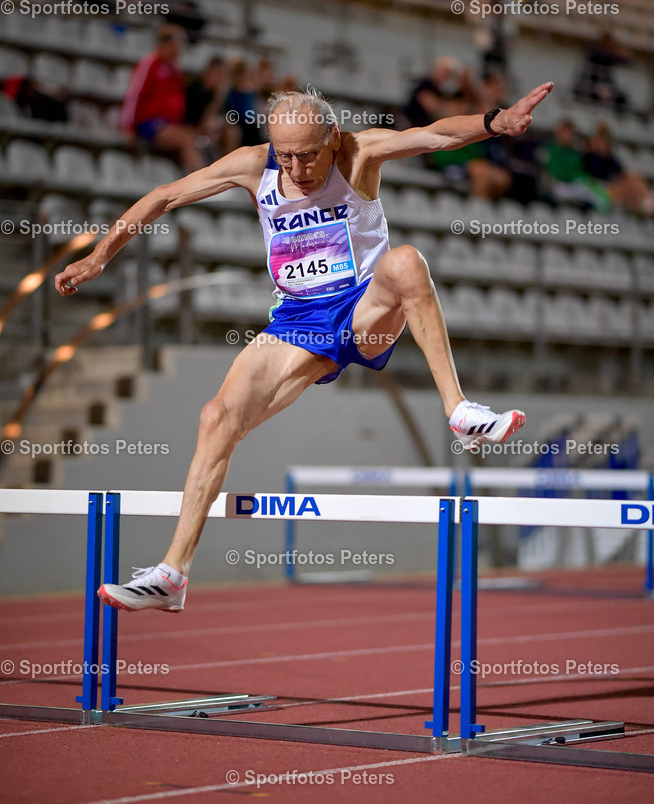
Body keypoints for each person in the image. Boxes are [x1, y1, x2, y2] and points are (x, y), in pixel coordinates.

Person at [55, 80, 553, 612]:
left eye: (308, 155)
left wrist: (494, 122)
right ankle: (174, 574)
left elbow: (433, 136)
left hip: (365, 307)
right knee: (215, 417)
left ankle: (458, 409)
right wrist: (99, 256)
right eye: (286, 156)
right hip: (299, 321)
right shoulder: (255, 164)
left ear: (334, 138)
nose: (296, 169)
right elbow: (164, 195)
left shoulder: (360, 153)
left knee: (405, 261)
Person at [120, 24, 204, 172]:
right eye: (179, 43)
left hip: (169, 124)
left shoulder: (175, 69)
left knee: (199, 135)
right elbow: (134, 95)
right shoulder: (150, 64)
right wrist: (128, 126)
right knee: (187, 139)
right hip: (149, 122)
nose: (182, 47)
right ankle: (204, 182)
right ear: (168, 43)